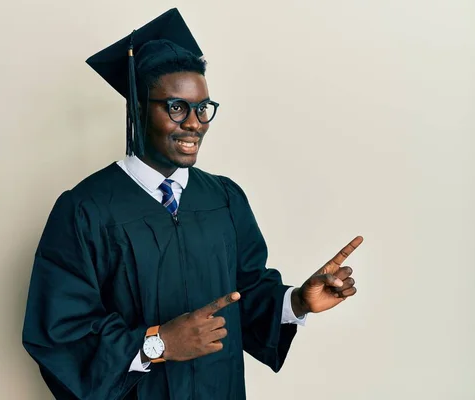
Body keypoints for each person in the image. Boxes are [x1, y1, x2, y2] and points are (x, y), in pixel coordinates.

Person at [22, 8, 363, 400]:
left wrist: (297, 302)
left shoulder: (224, 198)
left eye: (202, 109)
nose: (194, 123)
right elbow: (61, 332)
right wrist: (159, 343)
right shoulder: (85, 209)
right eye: (176, 107)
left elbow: (247, 294)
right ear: (137, 108)